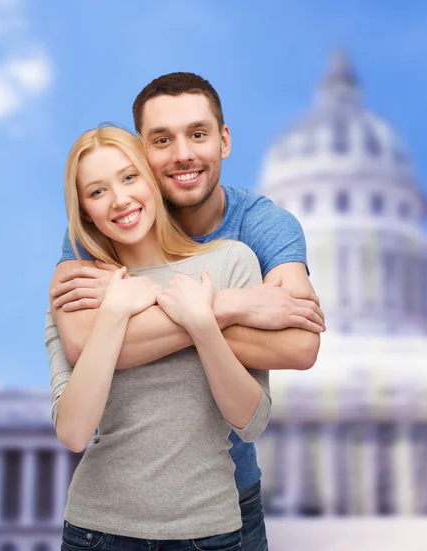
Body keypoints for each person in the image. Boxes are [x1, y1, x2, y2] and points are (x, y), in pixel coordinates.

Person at [49, 72, 324, 550]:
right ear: (143, 151)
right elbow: (78, 346)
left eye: (197, 134)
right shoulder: (89, 253)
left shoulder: (250, 238)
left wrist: (191, 315)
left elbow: (299, 343)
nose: (181, 155)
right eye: (161, 140)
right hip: (99, 524)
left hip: (224, 501)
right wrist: (228, 307)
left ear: (224, 140)